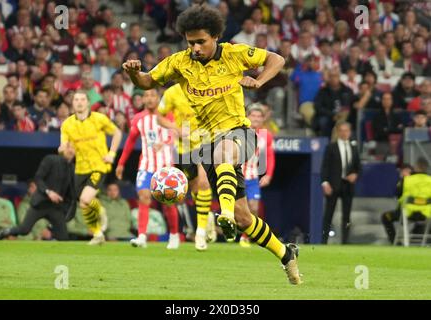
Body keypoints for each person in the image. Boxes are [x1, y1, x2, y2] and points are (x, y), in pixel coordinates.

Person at [122, 5, 301, 284]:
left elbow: (276, 59)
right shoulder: (179, 62)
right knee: (245, 219)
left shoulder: (235, 53)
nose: (194, 47)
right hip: (207, 143)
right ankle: (285, 253)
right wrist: (134, 73)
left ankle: (224, 213)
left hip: (239, 132)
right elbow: (147, 82)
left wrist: (258, 80)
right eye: (190, 42)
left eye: (200, 41)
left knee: (224, 152)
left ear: (215, 36)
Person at [115, 88, 180, 250]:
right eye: (146, 96)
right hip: (146, 165)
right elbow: (130, 142)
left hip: (165, 167)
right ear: (142, 99)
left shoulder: (168, 114)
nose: (150, 99)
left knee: (168, 203)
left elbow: (175, 133)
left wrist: (165, 142)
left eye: (153, 95)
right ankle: (142, 236)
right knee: (143, 197)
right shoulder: (138, 119)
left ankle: (174, 235)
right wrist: (121, 163)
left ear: (158, 98)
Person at [59, 90, 123, 245]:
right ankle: (98, 234)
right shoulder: (67, 124)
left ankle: (100, 210)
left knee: (85, 199)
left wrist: (112, 154)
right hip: (80, 168)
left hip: (99, 166)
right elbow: (63, 148)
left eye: (82, 99)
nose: (79, 102)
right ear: (72, 103)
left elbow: (117, 133)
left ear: (88, 102)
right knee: (83, 204)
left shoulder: (99, 119)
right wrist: (64, 151)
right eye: (76, 100)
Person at [157, 83, 214, 251]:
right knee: (194, 188)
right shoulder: (172, 92)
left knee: (204, 183)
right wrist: (175, 128)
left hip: (205, 142)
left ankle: (200, 233)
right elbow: (159, 117)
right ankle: (206, 216)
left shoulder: (207, 86)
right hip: (184, 147)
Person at [0, 144, 77, 241]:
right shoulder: (50, 159)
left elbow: (71, 191)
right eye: (69, 148)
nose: (71, 151)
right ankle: (5, 232)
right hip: (40, 204)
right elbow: (38, 178)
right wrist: (49, 192)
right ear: (61, 149)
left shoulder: (72, 168)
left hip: (55, 208)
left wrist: (66, 207)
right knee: (24, 230)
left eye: (73, 148)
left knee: (63, 238)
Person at [240, 104, 275, 248]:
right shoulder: (238, 132)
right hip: (237, 176)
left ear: (263, 120)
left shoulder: (265, 135)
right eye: (253, 115)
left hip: (253, 177)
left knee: (253, 208)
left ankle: (245, 237)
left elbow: (270, 156)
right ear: (247, 117)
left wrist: (268, 175)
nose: (255, 119)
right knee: (236, 209)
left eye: (259, 116)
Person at [321, 121, 361, 244]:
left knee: (347, 216)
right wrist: (325, 182)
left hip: (348, 185)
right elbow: (325, 166)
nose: (344, 133)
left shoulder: (354, 147)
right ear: (338, 132)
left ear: (350, 132)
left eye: (346, 130)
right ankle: (324, 241)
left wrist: (355, 174)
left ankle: (345, 241)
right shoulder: (331, 147)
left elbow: (358, 166)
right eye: (342, 130)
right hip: (333, 184)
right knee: (328, 215)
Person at [383, 158, 431, 244]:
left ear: (415, 167)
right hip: (427, 214)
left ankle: (396, 242)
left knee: (385, 217)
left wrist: (402, 179)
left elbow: (398, 194)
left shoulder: (407, 179)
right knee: (423, 222)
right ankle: (425, 241)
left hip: (407, 213)